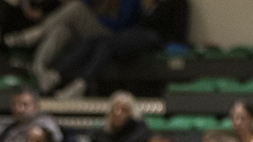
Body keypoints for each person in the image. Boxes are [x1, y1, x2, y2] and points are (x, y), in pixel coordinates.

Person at [51, 0, 190, 99]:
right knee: (93, 41)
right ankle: (57, 75)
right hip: (137, 35)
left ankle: (81, 83)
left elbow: (175, 33)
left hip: (156, 39)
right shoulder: (151, 3)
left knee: (107, 44)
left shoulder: (178, 3)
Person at [10, 0, 141, 94]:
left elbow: (122, 24)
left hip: (112, 34)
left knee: (76, 7)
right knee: (62, 30)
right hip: (90, 30)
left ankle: (38, 32)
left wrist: (93, 17)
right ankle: (38, 68)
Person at [79, 93, 151, 142]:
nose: (118, 113)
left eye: (123, 110)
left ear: (132, 113)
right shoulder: (100, 135)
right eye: (115, 109)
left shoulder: (140, 134)